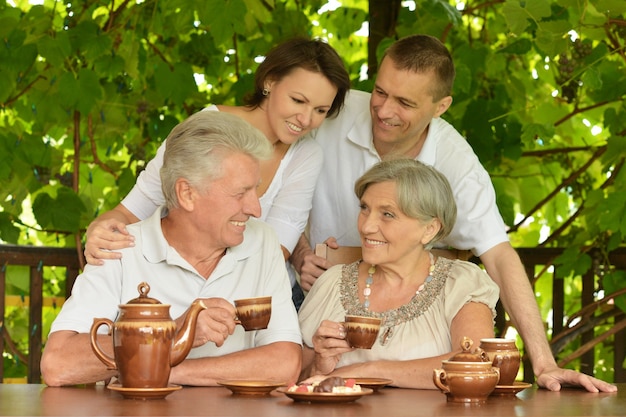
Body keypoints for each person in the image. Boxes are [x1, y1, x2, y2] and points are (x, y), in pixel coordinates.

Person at [290, 34, 617, 392]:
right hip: (315, 291)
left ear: (441, 106)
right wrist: (300, 250)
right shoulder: (332, 109)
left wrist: (543, 361)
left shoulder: (458, 165)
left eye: (404, 102)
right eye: (380, 92)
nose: (383, 110)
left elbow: (499, 256)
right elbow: (274, 178)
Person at [83, 37, 351, 309]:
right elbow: (130, 211)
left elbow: (275, 250)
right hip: (177, 291)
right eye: (298, 100)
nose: (306, 120)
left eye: (320, 110)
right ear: (269, 81)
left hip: (259, 300)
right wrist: (101, 230)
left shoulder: (306, 155)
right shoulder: (205, 126)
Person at [41, 111, 302, 387]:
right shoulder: (121, 247)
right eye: (240, 194)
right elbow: (58, 364)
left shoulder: (262, 241)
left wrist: (162, 371)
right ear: (186, 193)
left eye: (256, 190)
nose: (255, 209)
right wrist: (176, 332)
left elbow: (285, 363)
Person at [298, 159, 500, 388]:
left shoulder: (461, 284)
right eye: (364, 208)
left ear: (429, 229)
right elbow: (297, 383)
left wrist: (367, 371)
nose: (366, 227)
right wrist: (319, 365)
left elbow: (475, 366)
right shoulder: (332, 283)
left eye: (387, 214)